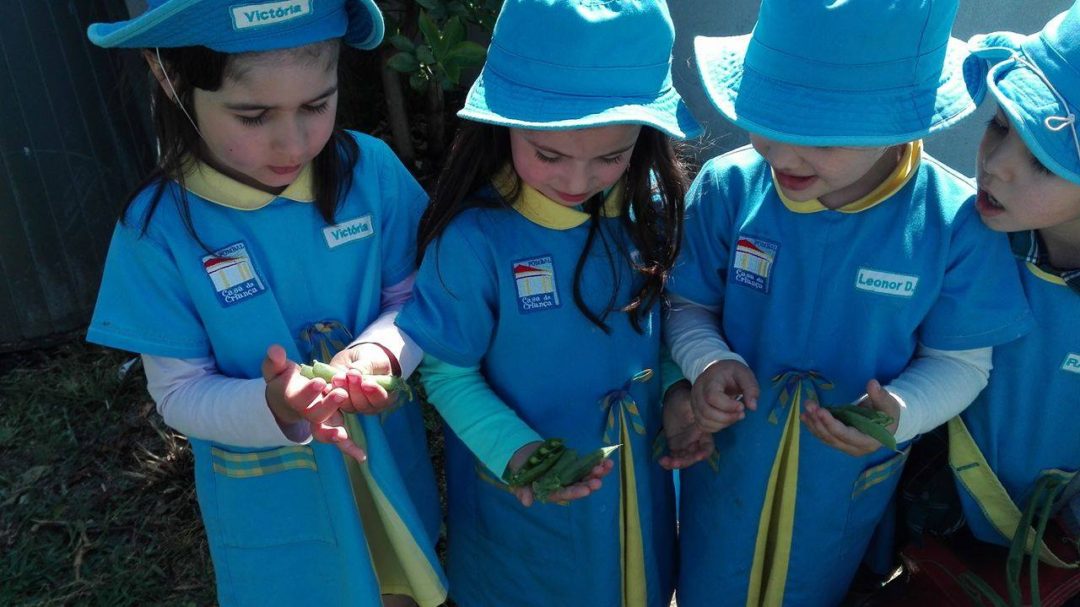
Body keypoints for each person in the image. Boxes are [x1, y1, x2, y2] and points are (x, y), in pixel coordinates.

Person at [663, 1, 1035, 605]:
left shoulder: (953, 225)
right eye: (767, 119)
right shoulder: (730, 188)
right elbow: (686, 306)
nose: (782, 152)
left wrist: (903, 412)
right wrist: (704, 361)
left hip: (842, 485)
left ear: (903, 124)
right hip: (729, 463)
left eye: (823, 136)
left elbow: (963, 361)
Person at [84, 2, 446, 605]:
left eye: (317, 105)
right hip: (272, 502)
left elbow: (415, 298)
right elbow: (178, 394)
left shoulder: (371, 174)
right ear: (171, 81)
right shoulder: (156, 231)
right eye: (252, 116)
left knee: (402, 579)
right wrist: (273, 405)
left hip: (383, 463)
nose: (294, 141)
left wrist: (382, 352)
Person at [394, 1, 702, 605]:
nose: (576, 179)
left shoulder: (650, 214)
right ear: (500, 124)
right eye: (549, 154)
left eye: (611, 157)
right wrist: (518, 454)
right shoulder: (474, 239)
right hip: (519, 494)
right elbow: (447, 371)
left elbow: (655, 337)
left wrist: (675, 393)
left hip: (633, 482)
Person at [892, 6, 1080, 605]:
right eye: (1000, 125)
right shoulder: (953, 232)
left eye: (1044, 160)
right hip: (933, 529)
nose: (994, 164)